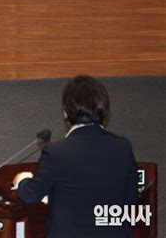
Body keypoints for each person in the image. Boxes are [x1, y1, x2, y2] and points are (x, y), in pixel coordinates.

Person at [13, 75, 138, 238]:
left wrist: (22, 179)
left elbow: (30, 194)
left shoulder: (56, 152)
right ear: (104, 110)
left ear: (66, 112)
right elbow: (131, 198)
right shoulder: (123, 147)